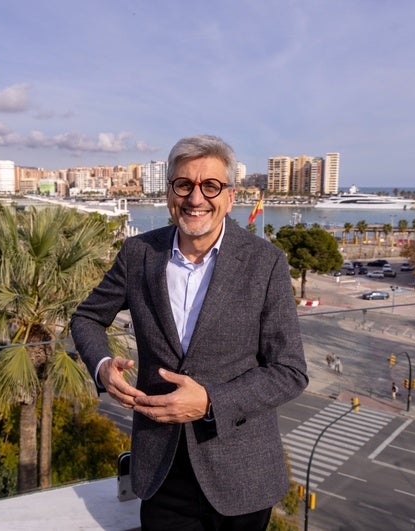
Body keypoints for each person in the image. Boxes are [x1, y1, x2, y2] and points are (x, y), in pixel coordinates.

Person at [71, 135, 309, 530]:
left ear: (230, 197)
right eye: (184, 185)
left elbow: (289, 371)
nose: (196, 198)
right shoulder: (139, 254)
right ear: (170, 193)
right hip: (161, 472)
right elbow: (86, 318)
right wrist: (102, 367)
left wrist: (211, 402)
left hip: (242, 475)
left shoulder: (265, 263)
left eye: (210, 186)